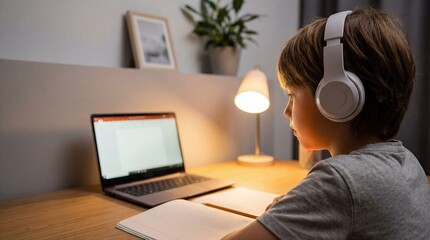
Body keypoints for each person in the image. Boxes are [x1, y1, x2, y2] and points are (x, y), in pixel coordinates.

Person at [222, 8, 430, 240]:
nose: (286, 111)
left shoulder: (340, 180)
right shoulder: (408, 162)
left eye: (291, 95)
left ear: (337, 97)